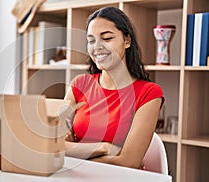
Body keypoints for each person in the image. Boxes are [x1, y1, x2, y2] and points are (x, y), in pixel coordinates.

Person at [64, 7, 164, 169]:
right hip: (75, 178)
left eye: (107, 38)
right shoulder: (79, 85)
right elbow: (54, 146)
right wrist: (104, 148)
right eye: (91, 40)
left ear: (127, 41)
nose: (97, 47)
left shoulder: (149, 93)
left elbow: (128, 162)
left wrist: (73, 151)